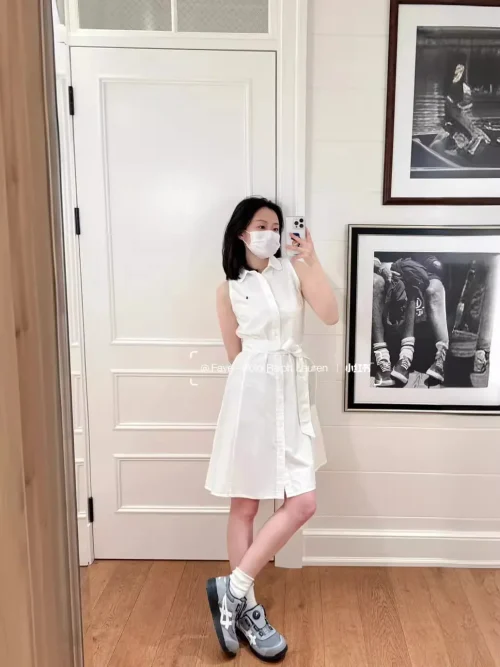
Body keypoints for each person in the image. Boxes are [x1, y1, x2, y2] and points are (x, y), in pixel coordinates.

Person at [204, 197, 338, 661]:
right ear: (241, 232)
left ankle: (232, 589)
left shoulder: (292, 272)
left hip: (292, 395)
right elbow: (234, 355)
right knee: (245, 504)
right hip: (251, 396)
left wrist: (311, 259)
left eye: (276, 226)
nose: (271, 233)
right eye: (261, 225)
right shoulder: (228, 288)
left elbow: (330, 313)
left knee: (302, 502)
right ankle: (247, 610)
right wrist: (256, 393)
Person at [372, 253, 449, 386]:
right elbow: (366, 253)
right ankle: (382, 358)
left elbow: (434, 260)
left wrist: (424, 265)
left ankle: (435, 358)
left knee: (423, 283)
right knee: (376, 282)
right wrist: (382, 267)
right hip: (384, 267)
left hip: (420, 268)